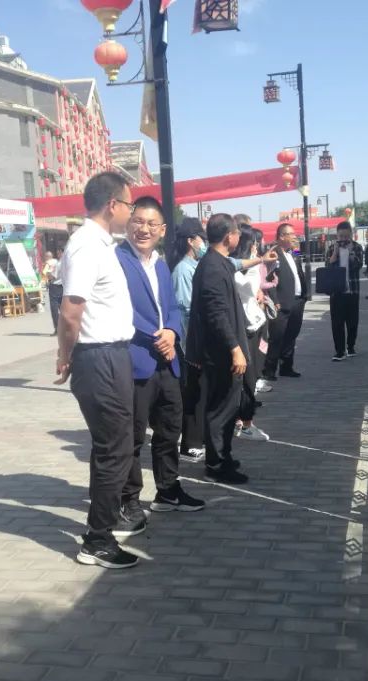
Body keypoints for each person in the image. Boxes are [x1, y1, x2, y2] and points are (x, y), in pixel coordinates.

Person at [55, 172, 140, 569]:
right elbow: (71, 310)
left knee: (112, 445)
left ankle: (105, 521)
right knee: (115, 448)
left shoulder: (102, 244)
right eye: (129, 205)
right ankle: (97, 540)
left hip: (111, 355)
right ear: (112, 205)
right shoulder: (87, 245)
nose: (131, 212)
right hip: (98, 356)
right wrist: (65, 354)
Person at [115, 196, 206, 534]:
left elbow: (172, 308)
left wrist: (171, 330)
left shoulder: (162, 264)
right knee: (133, 435)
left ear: (163, 229)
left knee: (170, 429)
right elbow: (120, 309)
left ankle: (168, 490)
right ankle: (127, 500)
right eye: (138, 221)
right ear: (129, 223)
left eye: (152, 224)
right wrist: (158, 335)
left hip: (167, 361)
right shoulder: (117, 260)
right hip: (136, 359)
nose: (144, 229)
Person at [188, 213, 250, 484]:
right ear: (229, 236)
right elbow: (216, 314)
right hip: (221, 352)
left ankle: (223, 455)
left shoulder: (218, 262)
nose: (239, 237)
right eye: (237, 233)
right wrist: (234, 348)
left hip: (224, 349)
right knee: (221, 409)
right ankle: (216, 465)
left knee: (227, 406)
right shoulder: (212, 267)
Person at [231, 225, 273, 441]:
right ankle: (245, 422)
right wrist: (258, 262)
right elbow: (246, 285)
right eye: (256, 243)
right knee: (246, 376)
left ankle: (243, 418)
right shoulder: (233, 266)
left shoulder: (250, 265)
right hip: (243, 327)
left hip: (256, 323)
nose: (258, 247)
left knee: (253, 373)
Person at [172, 218, 207, 463]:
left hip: (196, 341)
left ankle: (197, 439)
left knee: (200, 392)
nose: (203, 243)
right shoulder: (183, 270)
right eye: (200, 238)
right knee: (192, 393)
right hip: (189, 344)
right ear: (190, 241)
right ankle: (189, 444)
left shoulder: (194, 266)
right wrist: (190, 348)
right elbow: (185, 312)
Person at [266, 222, 308, 379]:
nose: (294, 237)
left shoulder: (293, 253)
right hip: (281, 302)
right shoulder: (274, 253)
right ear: (282, 236)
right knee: (277, 337)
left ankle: (286, 367)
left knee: (291, 335)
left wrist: (304, 297)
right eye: (291, 234)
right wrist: (274, 299)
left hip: (297, 301)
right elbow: (268, 278)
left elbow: (298, 272)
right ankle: (269, 370)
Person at [324, 221, 365, 361]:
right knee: (337, 323)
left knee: (352, 321)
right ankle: (339, 351)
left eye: (346, 236)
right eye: (341, 236)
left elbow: (358, 265)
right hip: (337, 291)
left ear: (351, 235)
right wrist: (335, 253)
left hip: (352, 290)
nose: (343, 239)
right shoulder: (331, 248)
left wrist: (350, 252)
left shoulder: (357, 247)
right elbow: (327, 267)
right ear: (337, 235)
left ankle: (351, 346)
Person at [44, 250, 63, 334]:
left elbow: (52, 277)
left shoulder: (57, 264)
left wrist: (48, 273)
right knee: (63, 308)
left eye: (58, 253)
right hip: (64, 286)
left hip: (55, 286)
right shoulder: (64, 263)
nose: (57, 255)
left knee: (54, 308)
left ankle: (58, 328)